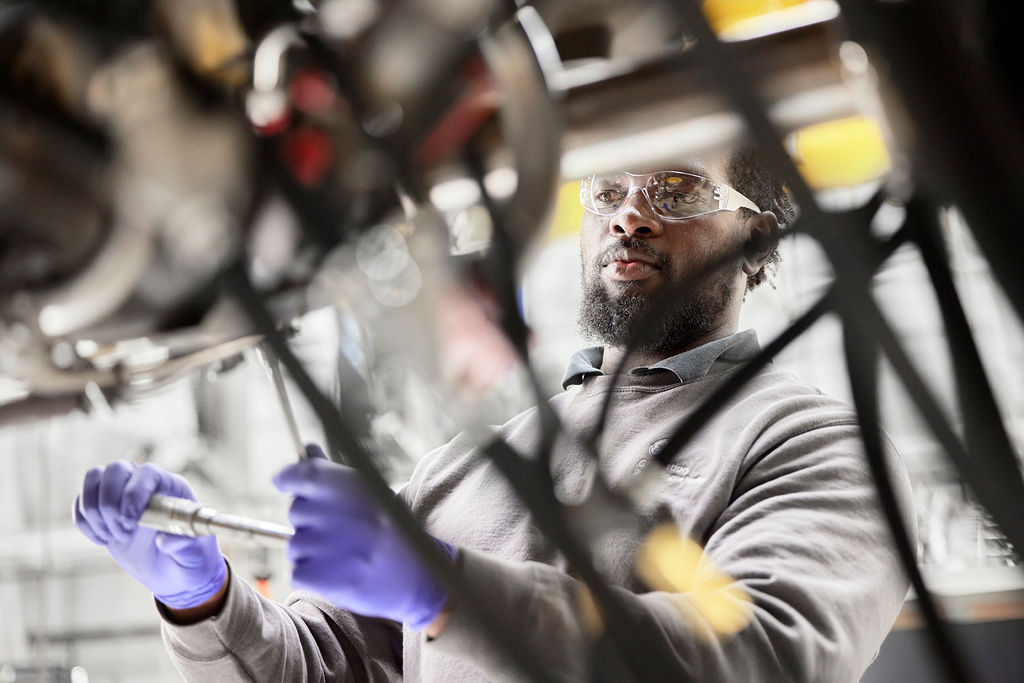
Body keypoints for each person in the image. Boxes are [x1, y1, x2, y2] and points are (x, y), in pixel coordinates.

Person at [73, 149, 913, 682]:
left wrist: (442, 589)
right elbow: (320, 669)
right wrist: (203, 600)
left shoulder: (815, 446)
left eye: (678, 189)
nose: (628, 213)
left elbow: (751, 661)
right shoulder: (472, 461)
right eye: (609, 187)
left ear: (757, 239)